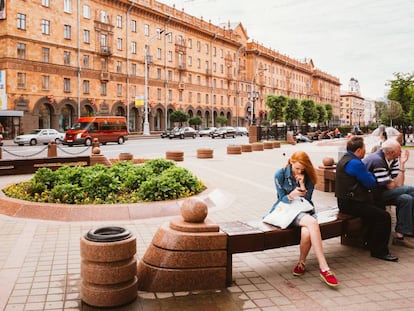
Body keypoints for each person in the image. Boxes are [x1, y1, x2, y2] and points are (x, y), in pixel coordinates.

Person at [267, 151, 339, 287]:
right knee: (312, 222)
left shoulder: (309, 176)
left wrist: (302, 186)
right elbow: (281, 198)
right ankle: (324, 268)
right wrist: (292, 195)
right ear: (291, 162)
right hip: (287, 210)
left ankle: (301, 263)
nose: (300, 171)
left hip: (304, 209)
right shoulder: (280, 174)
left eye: (302, 168)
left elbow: (307, 200)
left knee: (306, 233)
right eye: (297, 168)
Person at [335, 136, 398, 261]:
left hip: (345, 201)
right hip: (353, 203)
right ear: (358, 150)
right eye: (364, 148)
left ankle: (369, 242)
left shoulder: (344, 159)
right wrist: (370, 176)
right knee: (384, 216)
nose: (365, 151)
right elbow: (370, 182)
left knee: (378, 207)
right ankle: (379, 251)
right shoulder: (355, 163)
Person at [363, 139, 414, 248]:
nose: (401, 152)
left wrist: (402, 164)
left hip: (384, 192)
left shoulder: (393, 159)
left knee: (406, 199)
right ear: (391, 152)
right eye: (399, 150)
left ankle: (401, 235)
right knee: (411, 189)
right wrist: (393, 182)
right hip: (372, 195)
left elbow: (399, 184)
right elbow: (391, 186)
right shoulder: (377, 160)